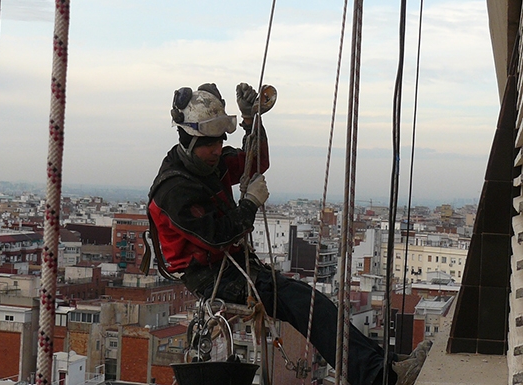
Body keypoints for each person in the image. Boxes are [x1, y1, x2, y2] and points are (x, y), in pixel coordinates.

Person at [147, 82, 430, 385]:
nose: (217, 150)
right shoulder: (174, 190)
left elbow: (255, 162)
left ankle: (382, 366)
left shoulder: (206, 166)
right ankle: (379, 377)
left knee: (314, 304)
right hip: (210, 277)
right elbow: (217, 236)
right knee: (308, 306)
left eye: (219, 142)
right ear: (188, 142)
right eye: (209, 145)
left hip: (232, 266)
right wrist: (249, 204)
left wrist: (251, 120)